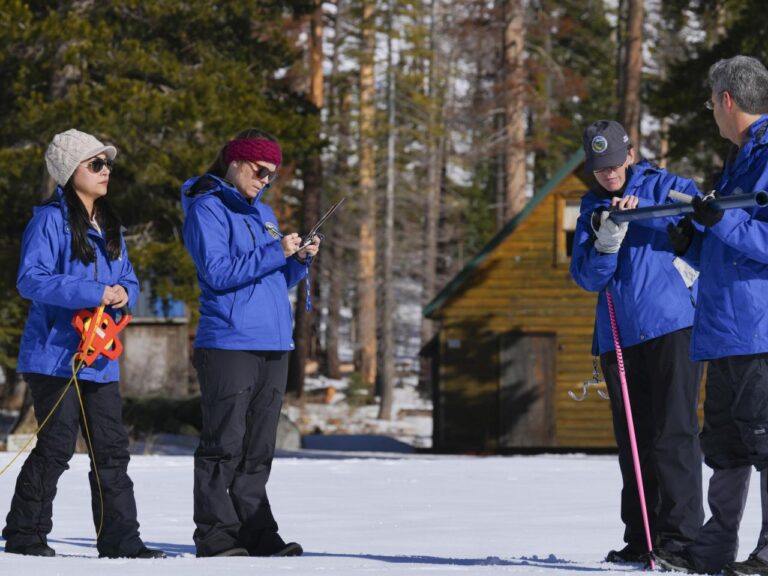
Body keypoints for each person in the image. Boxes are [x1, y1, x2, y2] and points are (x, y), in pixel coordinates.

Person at [2, 129, 165, 559]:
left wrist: (124, 291)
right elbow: (30, 280)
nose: (105, 170)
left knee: (112, 449)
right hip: (55, 355)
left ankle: (121, 539)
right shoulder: (49, 220)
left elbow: (127, 277)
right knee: (56, 446)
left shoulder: (110, 224)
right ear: (68, 170)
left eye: (107, 163)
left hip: (99, 357)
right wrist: (95, 293)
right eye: (95, 163)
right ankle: (25, 534)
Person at [653, 56, 768, 576]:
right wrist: (692, 243)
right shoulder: (740, 156)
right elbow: (729, 244)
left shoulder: (765, 155)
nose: (711, 113)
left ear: (727, 100)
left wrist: (719, 218)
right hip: (722, 328)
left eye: (710, 102)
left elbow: (762, 238)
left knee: (763, 438)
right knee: (723, 442)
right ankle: (715, 545)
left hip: (757, 327)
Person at [181, 128, 320, 558]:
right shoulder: (207, 208)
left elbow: (273, 279)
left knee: (259, 447)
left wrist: (297, 261)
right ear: (236, 161)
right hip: (229, 342)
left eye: (272, 176)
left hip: (273, 343)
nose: (265, 181)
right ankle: (216, 535)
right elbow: (218, 272)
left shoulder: (263, 213)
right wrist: (275, 252)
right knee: (224, 443)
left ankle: (257, 532)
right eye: (260, 171)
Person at [570, 120, 704, 564]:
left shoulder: (667, 185)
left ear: (630, 154)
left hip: (669, 325)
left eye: (613, 164)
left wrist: (640, 210)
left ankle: (681, 540)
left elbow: (698, 223)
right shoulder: (592, 206)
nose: (607, 174)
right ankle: (642, 537)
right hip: (618, 337)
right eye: (598, 168)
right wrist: (607, 242)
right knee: (635, 439)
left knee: (674, 433)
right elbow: (588, 278)